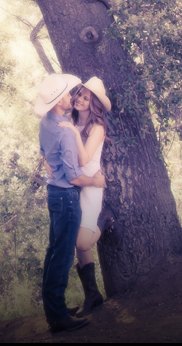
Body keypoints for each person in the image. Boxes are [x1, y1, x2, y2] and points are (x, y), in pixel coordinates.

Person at [35, 73, 106, 334]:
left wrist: (48, 160)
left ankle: (57, 310)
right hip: (71, 191)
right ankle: (57, 316)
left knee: (56, 251)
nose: (74, 97)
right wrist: (95, 182)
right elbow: (74, 175)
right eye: (71, 94)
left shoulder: (50, 122)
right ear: (59, 100)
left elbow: (49, 150)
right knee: (62, 256)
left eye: (84, 96)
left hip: (65, 190)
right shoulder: (66, 127)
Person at [58, 76, 111, 315]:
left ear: (94, 104)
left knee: (83, 242)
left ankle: (104, 222)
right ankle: (93, 296)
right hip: (73, 185)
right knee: (75, 241)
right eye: (79, 94)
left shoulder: (97, 128)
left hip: (91, 187)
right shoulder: (70, 120)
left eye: (86, 98)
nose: (79, 99)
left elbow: (84, 159)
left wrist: (74, 132)